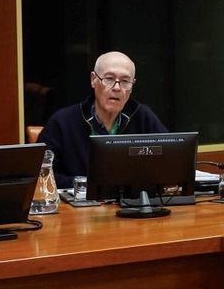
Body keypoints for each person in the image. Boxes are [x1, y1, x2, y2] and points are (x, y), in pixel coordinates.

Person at [40, 52, 167, 188]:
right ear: (93, 79)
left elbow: (170, 162)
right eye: (109, 79)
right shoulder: (62, 122)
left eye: (125, 81)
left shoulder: (143, 117)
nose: (117, 88)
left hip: (131, 204)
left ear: (132, 85)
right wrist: (86, 185)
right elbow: (41, 174)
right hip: (79, 204)